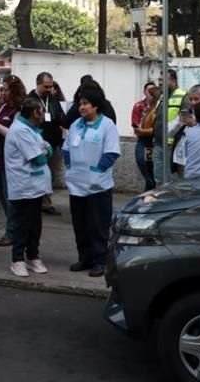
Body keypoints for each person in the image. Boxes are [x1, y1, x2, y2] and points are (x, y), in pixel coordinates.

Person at [63, 89, 120, 277]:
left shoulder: (107, 125)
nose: (82, 107)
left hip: (97, 185)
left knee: (98, 225)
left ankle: (100, 260)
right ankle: (84, 257)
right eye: (80, 104)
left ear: (95, 105)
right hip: (76, 185)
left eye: (86, 103)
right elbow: (66, 149)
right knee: (80, 225)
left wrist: (98, 170)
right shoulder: (75, 126)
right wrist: (70, 166)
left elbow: (111, 152)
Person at [4, 97, 53, 277]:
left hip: (35, 186)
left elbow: (47, 148)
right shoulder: (20, 131)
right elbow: (39, 158)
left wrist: (46, 150)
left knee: (35, 224)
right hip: (24, 186)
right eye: (41, 111)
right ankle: (17, 259)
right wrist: (46, 151)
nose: (43, 115)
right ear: (35, 113)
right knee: (22, 224)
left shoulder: (31, 130)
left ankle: (33, 256)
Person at [0, 74, 26, 247]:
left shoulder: (19, 111)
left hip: (10, 159)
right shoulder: (2, 107)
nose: (2, 93)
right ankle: (13, 226)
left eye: (6, 90)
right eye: (2, 89)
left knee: (10, 197)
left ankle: (13, 231)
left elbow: (14, 134)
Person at [29, 72, 66, 214]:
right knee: (37, 173)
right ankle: (37, 202)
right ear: (38, 84)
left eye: (51, 86)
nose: (49, 89)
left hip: (53, 141)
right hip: (37, 142)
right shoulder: (30, 100)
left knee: (49, 174)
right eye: (46, 86)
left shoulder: (53, 98)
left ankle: (46, 202)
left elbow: (60, 115)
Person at [152, 70, 187, 184]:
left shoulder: (183, 96)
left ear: (173, 81)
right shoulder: (162, 97)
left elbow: (184, 119)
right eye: (159, 80)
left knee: (171, 179)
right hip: (158, 144)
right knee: (158, 178)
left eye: (163, 80)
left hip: (172, 145)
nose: (160, 83)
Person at [134, 86, 160, 191]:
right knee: (147, 170)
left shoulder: (155, 112)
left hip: (148, 142)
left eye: (148, 95)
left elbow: (156, 129)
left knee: (148, 170)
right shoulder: (148, 109)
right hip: (144, 140)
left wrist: (142, 131)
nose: (146, 97)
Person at [130, 81, 155, 186]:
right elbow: (136, 126)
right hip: (144, 140)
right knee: (141, 160)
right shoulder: (139, 106)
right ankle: (149, 183)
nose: (151, 93)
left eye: (153, 91)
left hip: (155, 140)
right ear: (144, 92)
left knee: (152, 166)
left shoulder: (158, 107)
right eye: (149, 91)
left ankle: (151, 185)